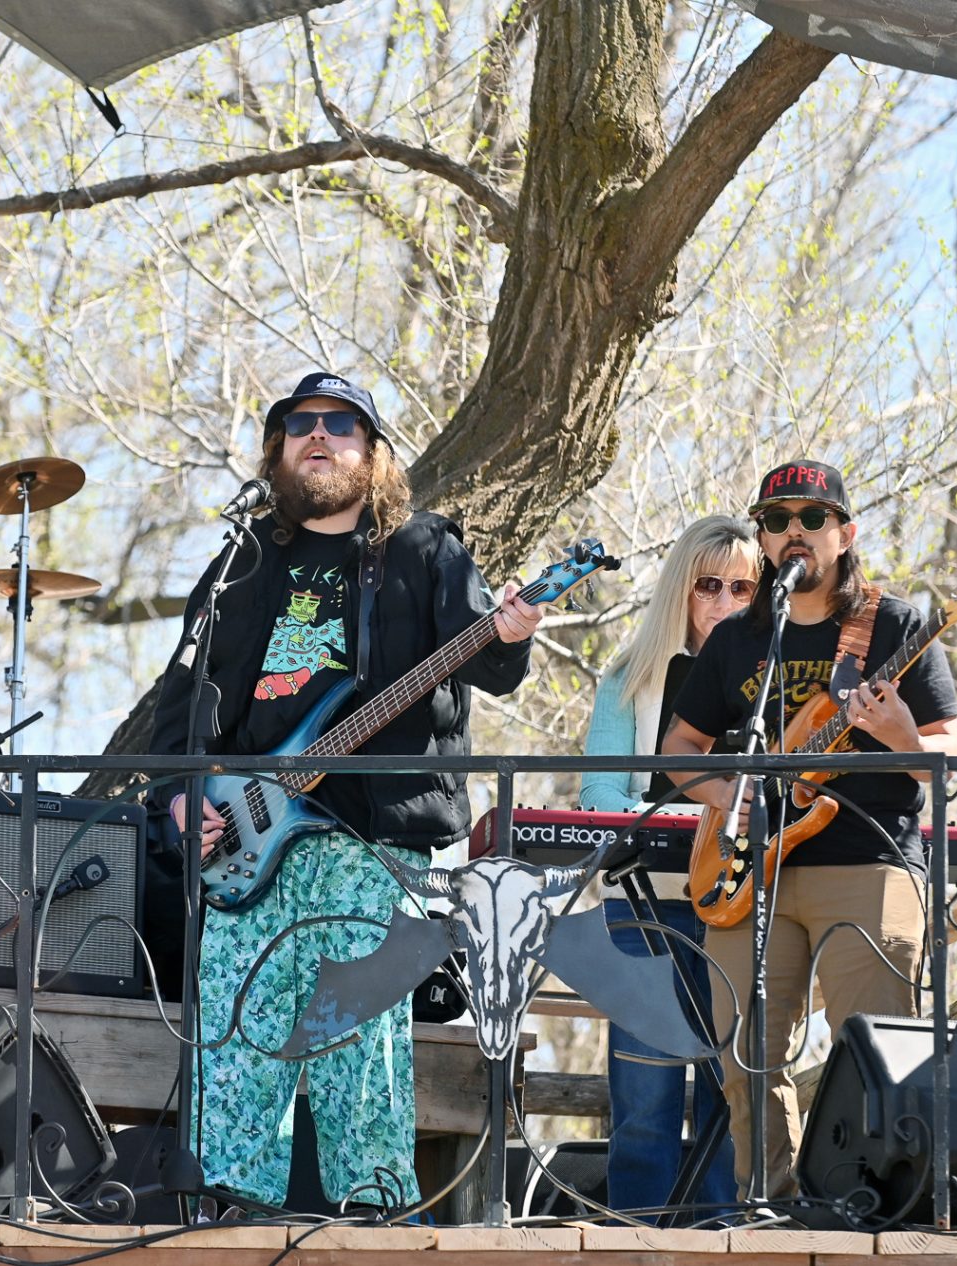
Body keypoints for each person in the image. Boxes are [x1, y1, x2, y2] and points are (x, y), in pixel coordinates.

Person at [151, 371, 544, 1212]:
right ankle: (226, 1207)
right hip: (248, 839)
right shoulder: (242, 563)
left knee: (358, 1036)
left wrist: (510, 633)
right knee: (236, 1031)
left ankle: (373, 1213)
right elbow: (179, 707)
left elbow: (490, 664)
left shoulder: (424, 549)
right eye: (301, 424)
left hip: (369, 836)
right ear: (277, 450)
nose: (319, 436)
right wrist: (183, 797)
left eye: (340, 423)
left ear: (374, 453)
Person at [660, 460, 957, 1200]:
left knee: (877, 1053)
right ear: (763, 540)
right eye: (777, 519)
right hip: (750, 872)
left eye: (812, 517)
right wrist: (729, 798)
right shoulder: (740, 638)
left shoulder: (896, 627)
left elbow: (949, 760)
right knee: (744, 1057)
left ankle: (876, 1210)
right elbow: (679, 748)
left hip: (868, 863)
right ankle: (770, 1207)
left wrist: (902, 737)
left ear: (845, 534)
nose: (793, 530)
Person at [578, 514, 756, 1220]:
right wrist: (700, 819)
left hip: (740, 908)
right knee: (644, 1102)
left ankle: (725, 1244)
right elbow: (598, 796)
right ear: (681, 588)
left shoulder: (774, 685)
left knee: (730, 1101)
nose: (724, 601)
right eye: (708, 585)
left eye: (743, 588)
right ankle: (634, 1241)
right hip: (646, 906)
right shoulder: (632, 679)